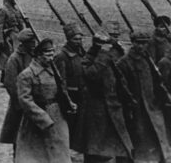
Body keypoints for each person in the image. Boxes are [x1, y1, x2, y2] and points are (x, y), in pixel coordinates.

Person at [76, 29, 134, 163]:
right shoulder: (90, 57)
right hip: (98, 112)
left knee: (124, 150)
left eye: (116, 36)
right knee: (97, 153)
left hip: (116, 107)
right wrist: (103, 53)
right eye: (111, 37)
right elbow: (92, 75)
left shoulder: (117, 53)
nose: (114, 39)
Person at [15, 38, 73, 163]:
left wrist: (69, 103)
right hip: (36, 122)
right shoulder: (27, 75)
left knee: (60, 152)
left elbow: (61, 91)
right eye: (48, 55)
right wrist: (43, 118)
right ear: (39, 55)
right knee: (35, 155)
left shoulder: (53, 71)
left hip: (57, 117)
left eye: (52, 54)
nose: (51, 58)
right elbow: (25, 100)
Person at [116, 30, 171, 162]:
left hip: (153, 107)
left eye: (144, 43)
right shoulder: (123, 63)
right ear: (132, 43)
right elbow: (121, 89)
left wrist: (165, 98)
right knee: (141, 142)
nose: (141, 46)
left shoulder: (147, 59)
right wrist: (130, 106)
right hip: (137, 111)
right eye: (138, 43)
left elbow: (157, 82)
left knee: (159, 140)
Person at [0, 29, 36, 153]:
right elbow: (10, 83)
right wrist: (20, 101)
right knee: (18, 135)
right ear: (25, 43)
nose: (34, 44)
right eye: (31, 42)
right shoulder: (15, 58)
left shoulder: (35, 55)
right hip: (19, 104)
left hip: (34, 103)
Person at [54, 22, 86, 152]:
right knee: (68, 128)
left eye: (80, 39)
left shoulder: (81, 54)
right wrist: (68, 101)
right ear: (68, 39)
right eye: (75, 39)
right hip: (70, 98)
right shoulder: (62, 56)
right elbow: (61, 82)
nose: (78, 42)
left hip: (81, 96)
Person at [0, 0, 24, 83]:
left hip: (16, 37)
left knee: (16, 57)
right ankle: (5, 78)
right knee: (7, 57)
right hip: (8, 38)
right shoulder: (3, 10)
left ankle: (13, 77)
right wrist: (0, 40)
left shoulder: (16, 10)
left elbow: (20, 24)